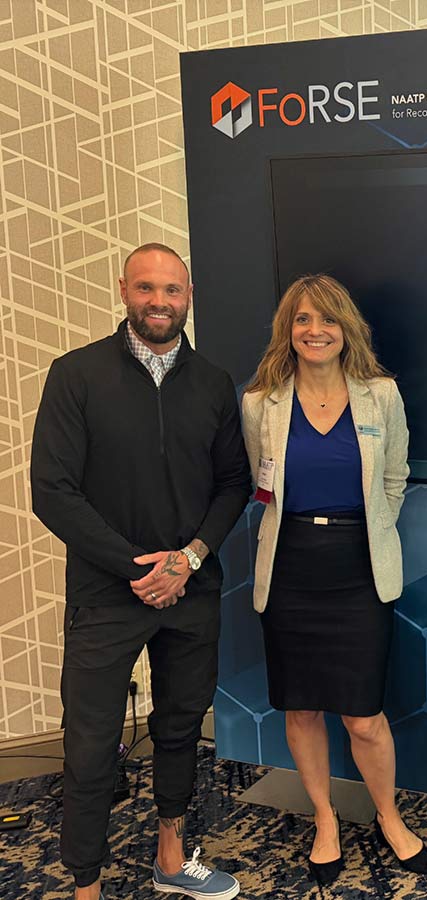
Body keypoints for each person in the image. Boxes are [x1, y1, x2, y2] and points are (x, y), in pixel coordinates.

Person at [30, 243, 251, 900]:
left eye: (172, 290)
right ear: (124, 288)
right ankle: (86, 885)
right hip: (105, 594)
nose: (160, 301)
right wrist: (138, 568)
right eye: (147, 288)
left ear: (189, 297)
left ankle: (171, 857)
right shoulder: (76, 374)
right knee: (91, 744)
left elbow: (233, 484)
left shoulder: (213, 383)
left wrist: (189, 559)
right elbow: (52, 491)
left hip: (192, 589)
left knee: (180, 729)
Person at [241, 274, 427, 887]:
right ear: (287, 330)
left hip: (360, 570)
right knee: (301, 708)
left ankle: (388, 816)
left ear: (346, 328)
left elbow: (396, 478)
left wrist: (372, 530)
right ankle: (325, 819)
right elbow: (259, 484)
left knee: (363, 717)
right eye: (302, 319)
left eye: (327, 319)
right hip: (290, 569)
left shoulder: (381, 395)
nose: (315, 330)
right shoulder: (261, 402)